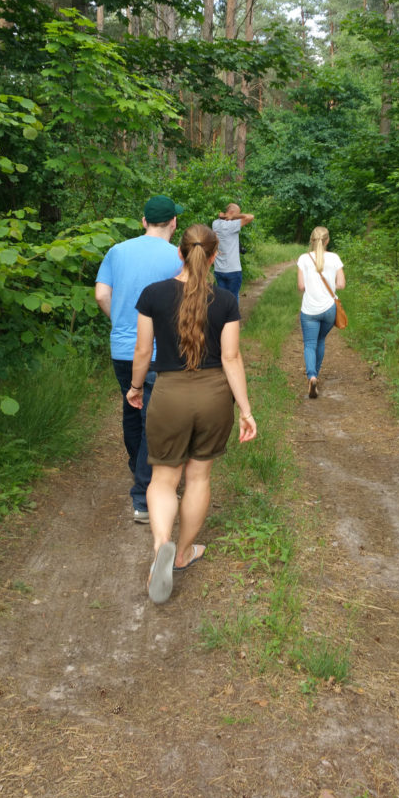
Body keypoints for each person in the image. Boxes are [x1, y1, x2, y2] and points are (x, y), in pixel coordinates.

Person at [126, 223, 257, 604]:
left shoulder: (153, 295)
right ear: (214, 257)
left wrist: (136, 388)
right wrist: (246, 411)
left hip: (169, 394)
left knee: (164, 479)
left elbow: (141, 351)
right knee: (198, 477)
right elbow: (231, 357)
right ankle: (182, 554)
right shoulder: (226, 301)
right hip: (215, 395)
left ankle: (161, 544)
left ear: (179, 254)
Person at [95, 195, 184, 523]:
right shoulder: (178, 255)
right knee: (155, 420)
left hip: (122, 349)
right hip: (161, 351)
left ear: (143, 221)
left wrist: (119, 322)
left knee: (132, 409)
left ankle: (139, 468)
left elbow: (102, 294)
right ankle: (145, 496)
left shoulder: (117, 251)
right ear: (174, 223)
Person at [297, 226, 346, 399]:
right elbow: (341, 284)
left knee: (310, 344)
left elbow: (301, 286)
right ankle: (315, 375)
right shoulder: (334, 258)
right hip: (328, 309)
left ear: (311, 240)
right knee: (320, 340)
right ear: (327, 241)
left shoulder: (304, 258)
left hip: (309, 309)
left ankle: (312, 376)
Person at [211, 203, 254, 303]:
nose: (237, 217)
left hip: (219, 270)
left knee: (222, 299)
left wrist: (227, 216)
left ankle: (223, 318)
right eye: (237, 214)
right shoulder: (232, 225)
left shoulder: (215, 223)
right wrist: (234, 217)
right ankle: (233, 318)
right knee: (233, 298)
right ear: (231, 213)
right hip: (233, 270)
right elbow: (250, 216)